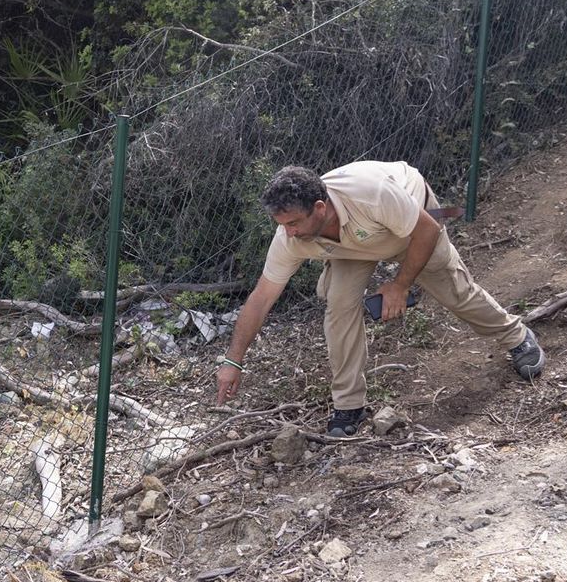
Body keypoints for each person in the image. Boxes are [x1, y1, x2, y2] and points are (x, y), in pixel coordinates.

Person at [214, 161, 544, 437]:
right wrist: (233, 361)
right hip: (352, 246)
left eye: (294, 223)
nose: (289, 232)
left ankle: (516, 336)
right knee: (339, 306)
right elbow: (261, 298)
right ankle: (349, 406)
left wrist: (400, 285)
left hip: (413, 226)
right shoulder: (291, 237)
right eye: (282, 225)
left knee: (455, 293)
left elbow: (426, 230)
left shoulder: (371, 193)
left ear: (320, 208)